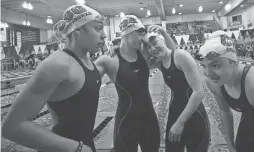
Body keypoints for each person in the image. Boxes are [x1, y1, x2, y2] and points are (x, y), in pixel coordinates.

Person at [2, 4, 106, 152]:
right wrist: (77, 148)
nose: (104, 35)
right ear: (77, 31)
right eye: (98, 28)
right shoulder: (57, 64)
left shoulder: (88, 61)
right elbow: (12, 127)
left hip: (85, 145)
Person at [95, 15, 176, 152]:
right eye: (139, 34)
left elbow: (172, 54)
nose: (142, 37)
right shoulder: (110, 60)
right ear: (127, 33)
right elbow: (86, 78)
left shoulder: (144, 54)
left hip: (149, 120)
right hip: (126, 122)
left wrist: (163, 33)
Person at [144, 32, 210, 152]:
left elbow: (198, 92)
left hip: (195, 117)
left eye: (155, 43)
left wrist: (180, 123)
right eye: (148, 47)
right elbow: (136, 62)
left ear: (163, 40)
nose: (152, 48)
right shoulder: (159, 62)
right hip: (175, 114)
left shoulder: (181, 56)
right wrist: (116, 52)